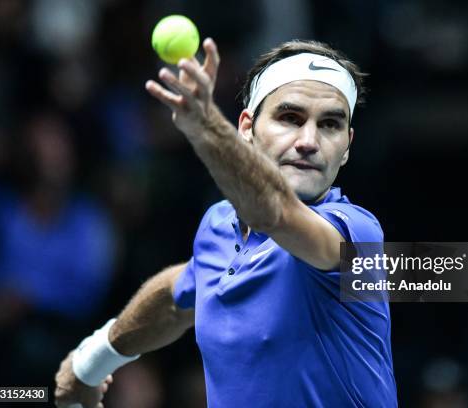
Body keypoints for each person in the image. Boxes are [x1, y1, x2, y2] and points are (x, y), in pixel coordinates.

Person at [55, 38, 398, 408]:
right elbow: (176, 298)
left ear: (347, 145)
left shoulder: (356, 232)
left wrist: (205, 129)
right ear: (247, 127)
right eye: (290, 118)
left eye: (329, 124)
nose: (309, 141)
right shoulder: (219, 225)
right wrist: (90, 361)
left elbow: (276, 215)